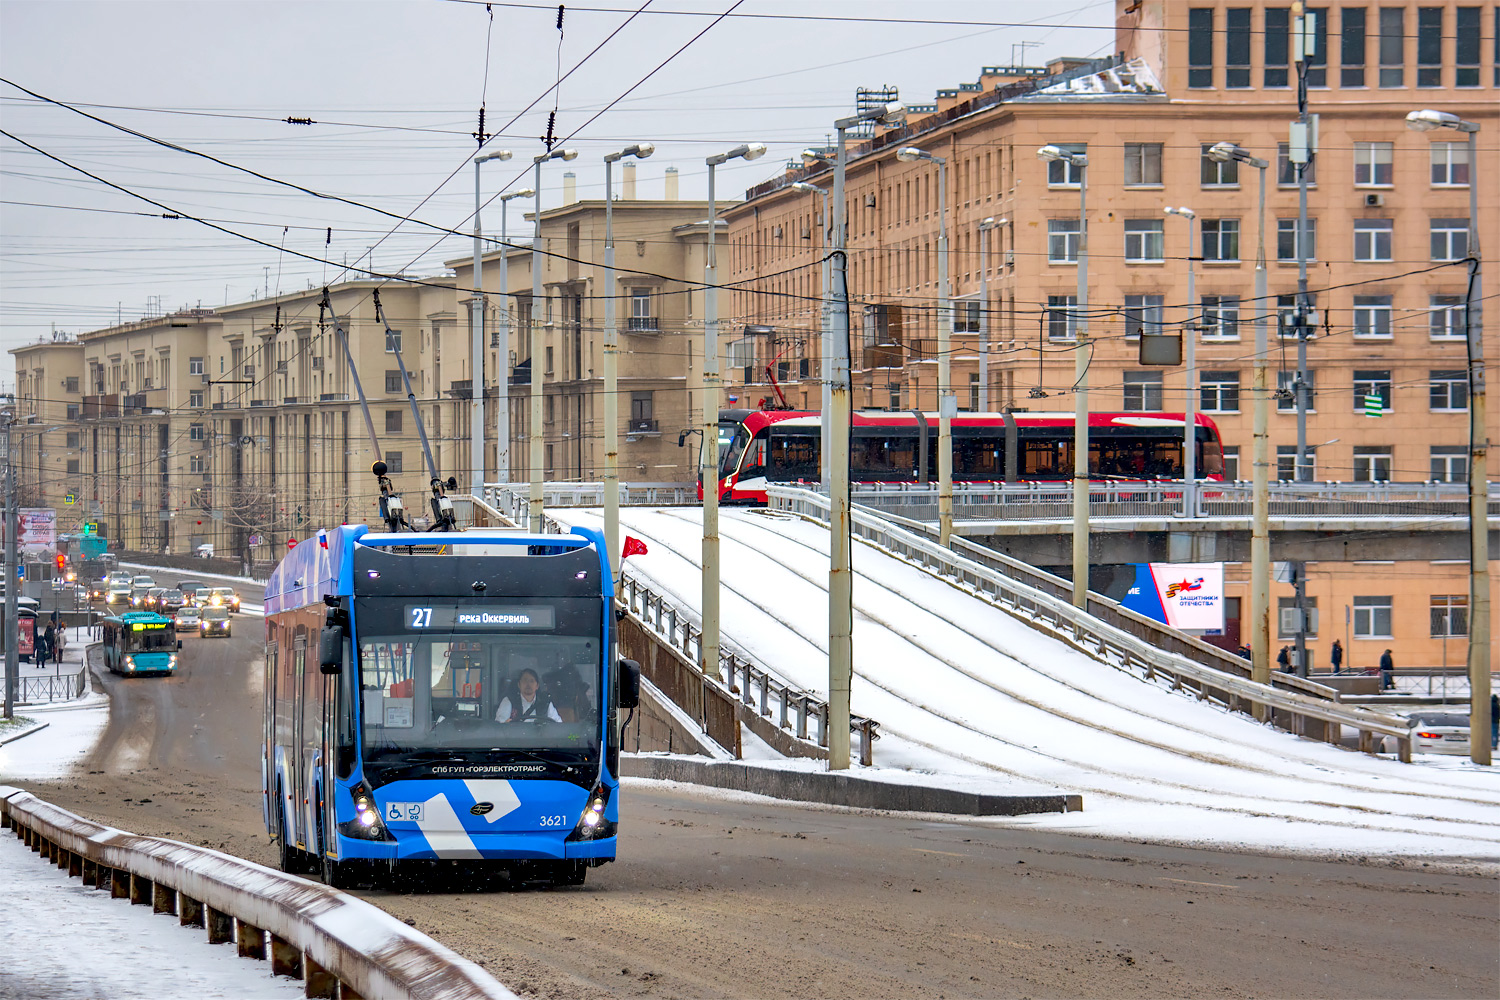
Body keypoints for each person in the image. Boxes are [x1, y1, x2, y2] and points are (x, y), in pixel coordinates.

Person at [495, 667, 561, 724]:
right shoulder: (509, 700)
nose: (528, 684)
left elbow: (557, 725)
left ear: (537, 686)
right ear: (519, 685)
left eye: (531, 681)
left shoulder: (545, 702)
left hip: (540, 738)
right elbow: (501, 726)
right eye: (525, 680)